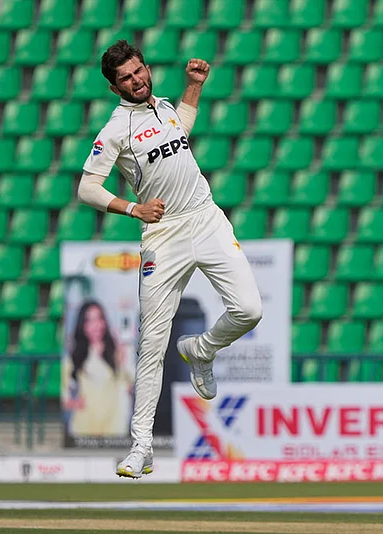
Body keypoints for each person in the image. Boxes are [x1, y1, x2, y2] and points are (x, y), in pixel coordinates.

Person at [77, 41, 263, 478]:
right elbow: (87, 189)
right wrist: (132, 208)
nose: (137, 80)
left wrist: (194, 88)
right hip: (163, 235)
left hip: (206, 218)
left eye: (139, 71)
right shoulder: (115, 129)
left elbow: (179, 134)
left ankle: (201, 349)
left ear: (146, 68)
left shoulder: (163, 107)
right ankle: (141, 447)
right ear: (113, 86)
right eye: (126, 77)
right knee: (152, 344)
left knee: (250, 310)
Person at [63, 300, 134, 436]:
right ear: (83, 325)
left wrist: (123, 354)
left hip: (114, 426)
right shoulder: (75, 356)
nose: (95, 326)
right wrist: (73, 403)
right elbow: (62, 391)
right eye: (89, 321)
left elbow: (130, 383)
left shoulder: (116, 351)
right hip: (84, 427)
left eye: (98, 319)